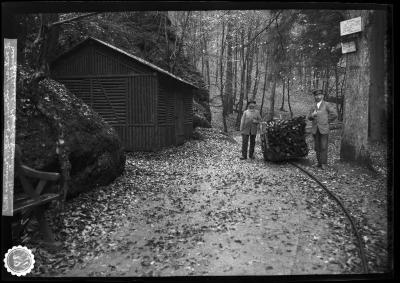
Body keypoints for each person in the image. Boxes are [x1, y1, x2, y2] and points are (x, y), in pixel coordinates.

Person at [307, 89, 337, 169]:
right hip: (315, 130)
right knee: (317, 147)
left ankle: (324, 164)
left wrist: (327, 121)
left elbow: (334, 114)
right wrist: (312, 115)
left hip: (324, 129)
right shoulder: (313, 106)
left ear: (322, 96)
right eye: (316, 95)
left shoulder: (327, 105)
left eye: (319, 95)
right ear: (314, 96)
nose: (317, 97)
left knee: (324, 147)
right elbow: (309, 117)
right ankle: (319, 163)